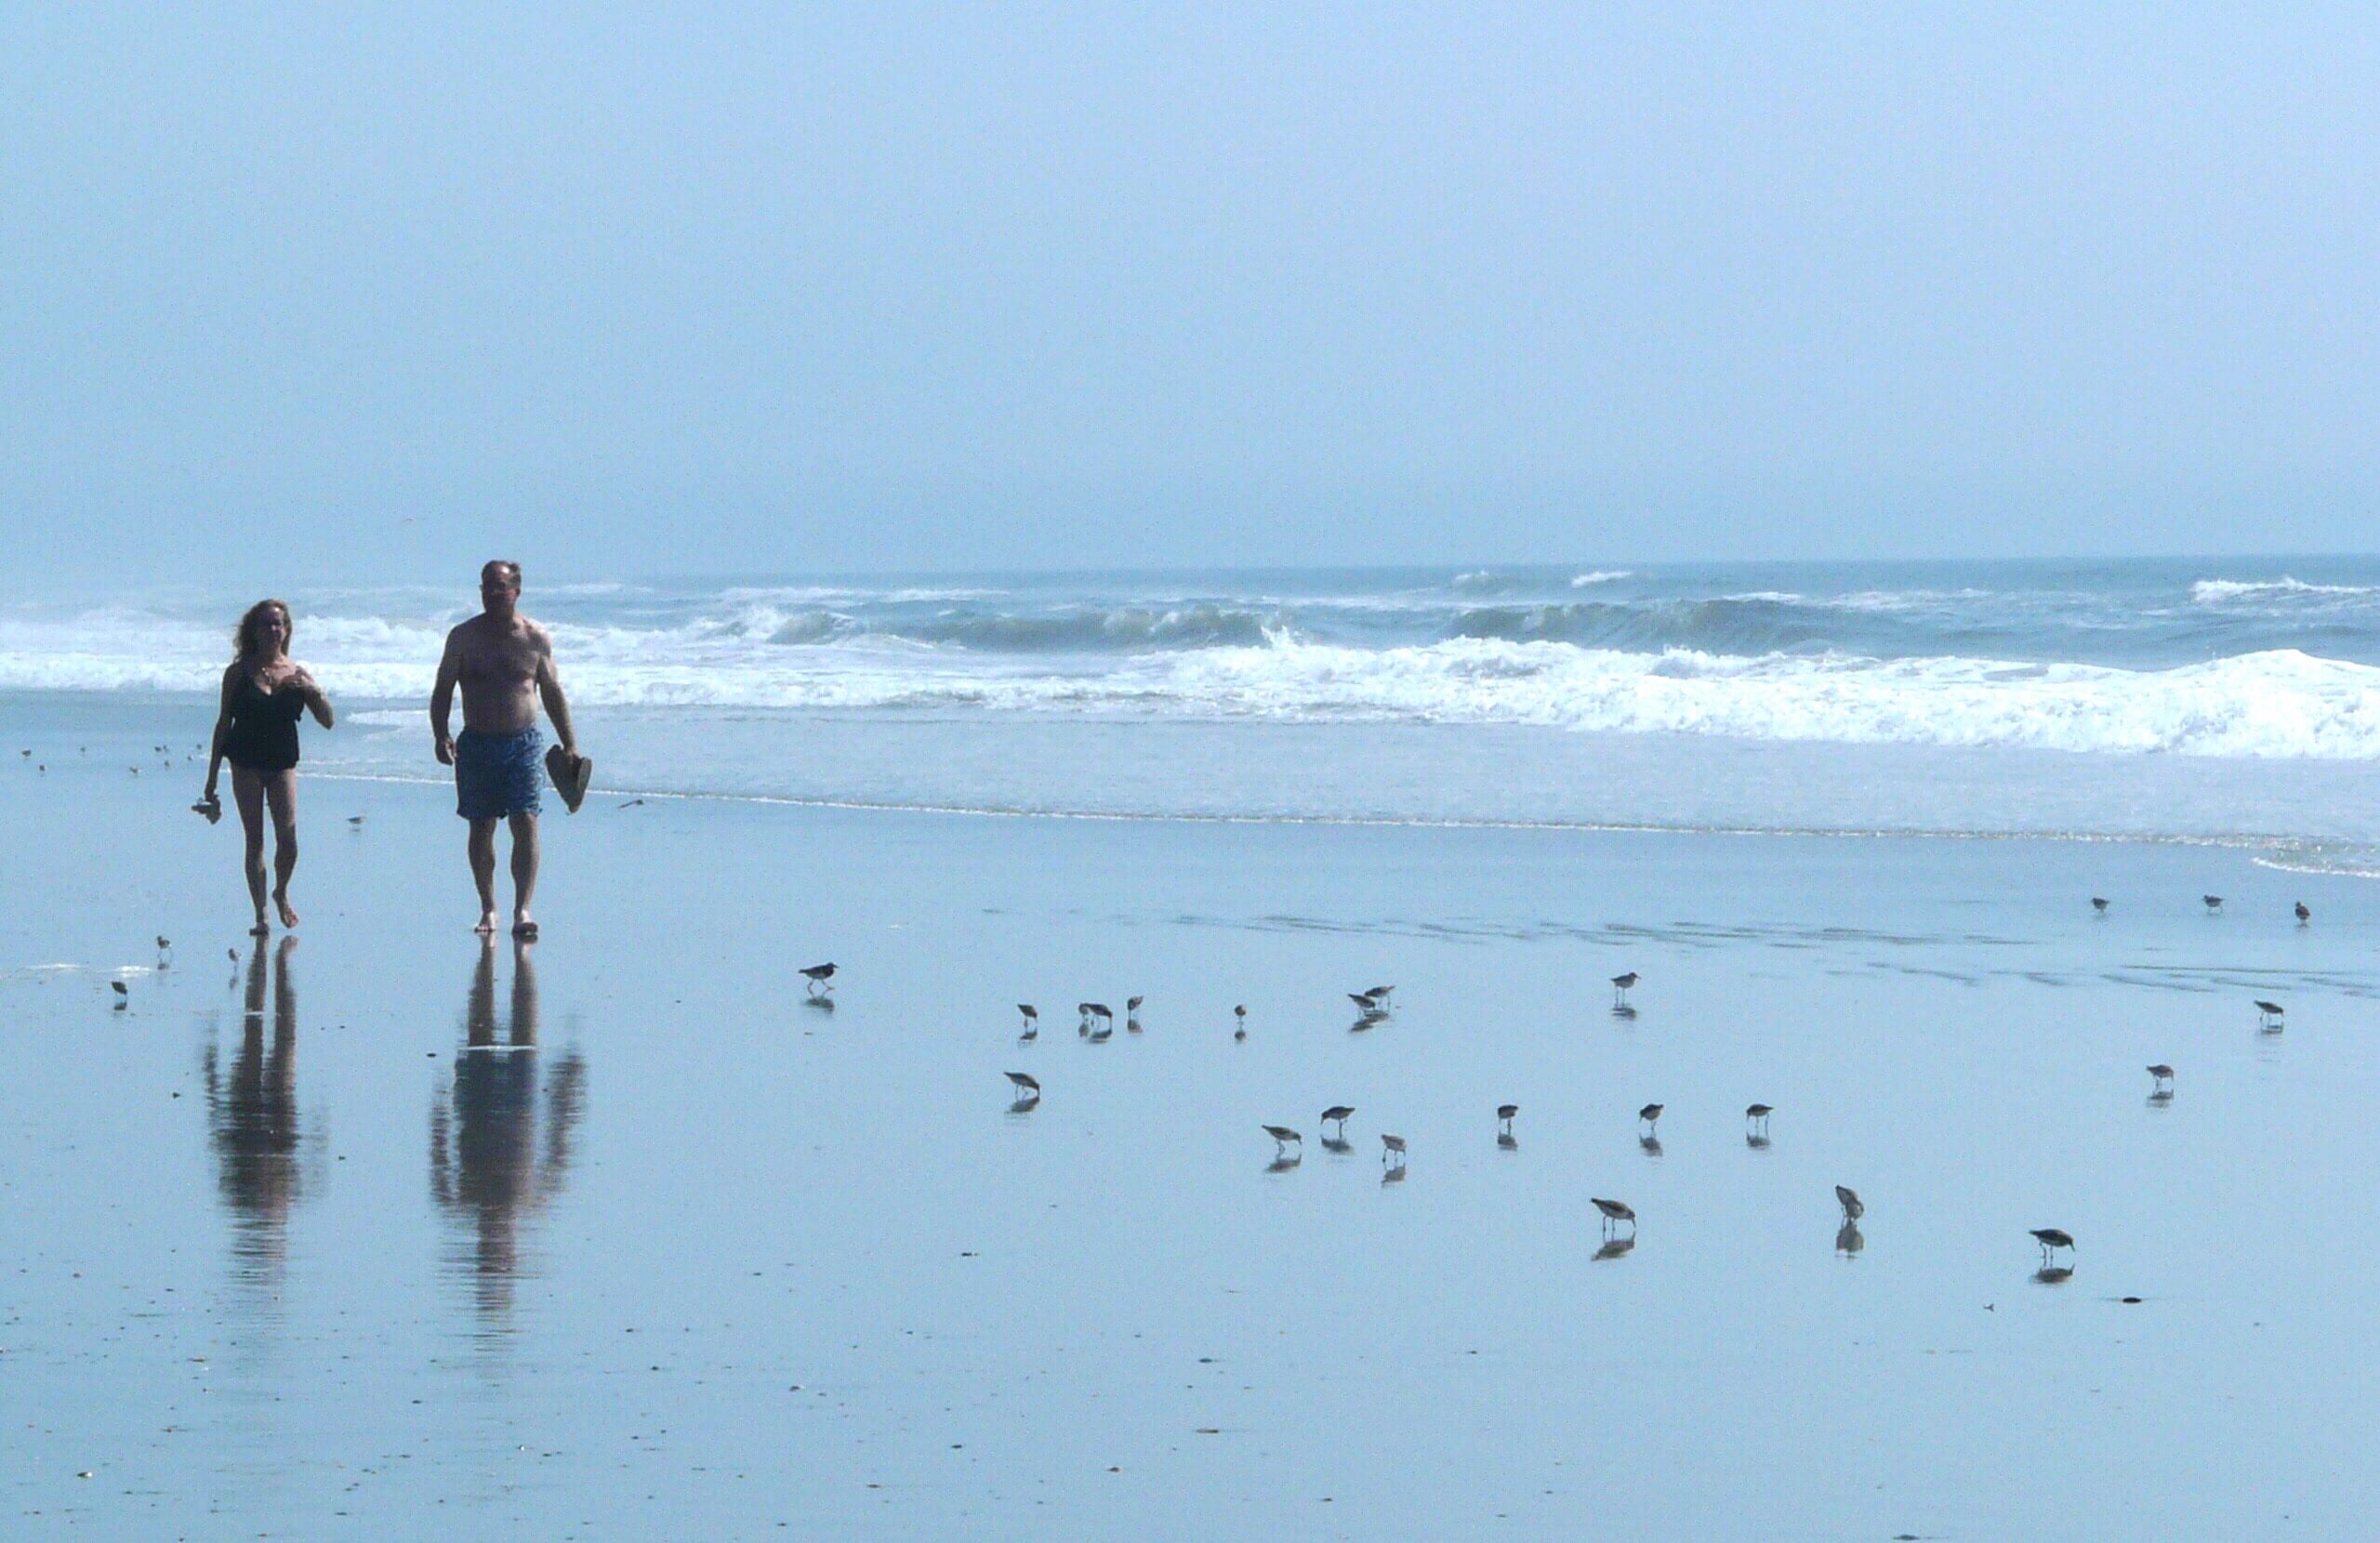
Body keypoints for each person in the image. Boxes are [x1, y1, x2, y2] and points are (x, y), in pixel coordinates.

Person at [431, 560, 584, 939]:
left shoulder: (534, 637)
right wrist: (440, 734)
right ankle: (488, 907)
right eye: (487, 586)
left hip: (524, 742)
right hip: (477, 742)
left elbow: (551, 692)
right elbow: (443, 688)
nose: (493, 593)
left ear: (517, 590)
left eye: (500, 586)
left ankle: (522, 909)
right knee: (482, 826)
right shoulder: (463, 637)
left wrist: (570, 744)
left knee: (525, 820)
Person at [200, 600, 335, 934]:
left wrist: (313, 691)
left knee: (288, 840)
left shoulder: (297, 674)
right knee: (255, 840)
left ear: (287, 630)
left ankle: (281, 891)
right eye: (266, 624)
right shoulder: (238, 673)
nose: (273, 630)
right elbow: (223, 724)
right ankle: (261, 914)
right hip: (245, 761)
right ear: (254, 631)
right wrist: (212, 778)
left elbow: (328, 721)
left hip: (282, 762)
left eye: (279, 624)